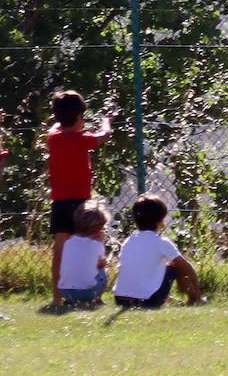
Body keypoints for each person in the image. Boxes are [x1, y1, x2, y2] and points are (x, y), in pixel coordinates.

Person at [47, 89, 112, 305]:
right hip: (82, 203)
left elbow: (56, 126)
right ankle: (95, 295)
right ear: (80, 117)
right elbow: (104, 136)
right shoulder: (84, 139)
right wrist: (107, 122)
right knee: (94, 242)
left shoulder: (53, 137)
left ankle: (58, 296)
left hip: (59, 203)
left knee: (60, 251)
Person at [112, 193, 205, 308]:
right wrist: (197, 288)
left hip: (120, 299)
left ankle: (175, 300)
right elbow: (187, 268)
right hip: (148, 301)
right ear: (160, 221)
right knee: (175, 266)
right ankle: (195, 298)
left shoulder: (128, 241)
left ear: (136, 222)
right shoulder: (162, 242)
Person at [56, 200, 110, 305]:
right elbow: (102, 264)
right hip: (87, 292)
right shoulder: (96, 245)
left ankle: (71, 300)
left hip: (65, 291)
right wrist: (100, 242)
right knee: (103, 271)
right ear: (99, 229)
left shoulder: (68, 242)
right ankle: (96, 299)